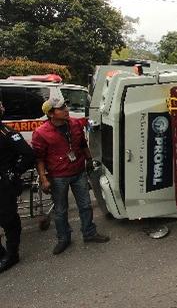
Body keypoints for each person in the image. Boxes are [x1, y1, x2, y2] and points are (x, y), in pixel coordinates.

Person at [31, 97, 109, 255]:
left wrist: (89, 160)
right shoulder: (41, 133)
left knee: (86, 205)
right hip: (58, 176)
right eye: (61, 108)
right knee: (60, 210)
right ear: (51, 114)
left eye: (66, 105)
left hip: (78, 172)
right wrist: (44, 179)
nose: (66, 109)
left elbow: (82, 145)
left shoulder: (75, 124)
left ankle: (89, 233)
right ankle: (63, 239)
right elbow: (39, 159)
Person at [0, 100, 35, 273]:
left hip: (4, 185)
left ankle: (12, 254)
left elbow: (28, 155)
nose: (2, 107)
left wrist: (15, 172)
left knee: (8, 220)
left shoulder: (7, 133)